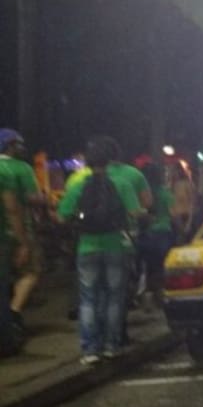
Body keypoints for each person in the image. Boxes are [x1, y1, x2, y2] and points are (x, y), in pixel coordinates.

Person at [56, 137, 142, 365]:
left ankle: (90, 349)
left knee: (88, 298)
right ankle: (111, 345)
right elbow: (135, 212)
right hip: (115, 245)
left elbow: (61, 215)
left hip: (87, 246)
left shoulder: (78, 185)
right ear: (110, 159)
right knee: (114, 297)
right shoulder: (122, 183)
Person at [0, 129, 44, 335]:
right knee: (30, 271)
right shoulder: (19, 168)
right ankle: (13, 313)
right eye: (18, 144)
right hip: (15, 229)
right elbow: (29, 200)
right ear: (10, 145)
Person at [137, 163, 175, 309]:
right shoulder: (165, 193)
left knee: (148, 268)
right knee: (163, 267)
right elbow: (173, 213)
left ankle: (147, 298)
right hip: (163, 234)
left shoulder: (141, 194)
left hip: (145, 235)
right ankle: (162, 298)